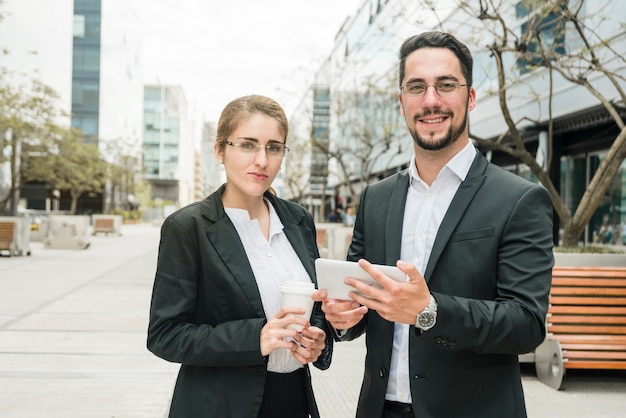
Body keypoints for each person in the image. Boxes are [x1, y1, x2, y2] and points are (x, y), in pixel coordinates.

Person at [313, 31, 554, 418]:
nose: (430, 101)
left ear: (470, 97)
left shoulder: (520, 200)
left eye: (446, 85)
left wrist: (430, 310)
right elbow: (358, 300)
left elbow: (525, 324)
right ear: (401, 101)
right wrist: (344, 318)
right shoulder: (376, 198)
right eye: (416, 87)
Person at [147, 94, 332, 418]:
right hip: (219, 405)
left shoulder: (298, 220)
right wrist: (255, 339)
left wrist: (319, 342)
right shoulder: (188, 228)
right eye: (248, 145)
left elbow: (313, 309)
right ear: (220, 150)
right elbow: (165, 335)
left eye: (274, 147)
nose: (262, 160)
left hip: (294, 402)